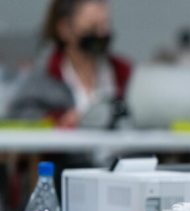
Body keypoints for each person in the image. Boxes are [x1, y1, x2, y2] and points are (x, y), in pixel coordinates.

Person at [8, 0, 132, 128]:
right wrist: (58, 120)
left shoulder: (124, 73)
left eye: (105, 25)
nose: (101, 34)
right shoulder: (43, 79)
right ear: (65, 28)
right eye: (92, 27)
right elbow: (17, 119)